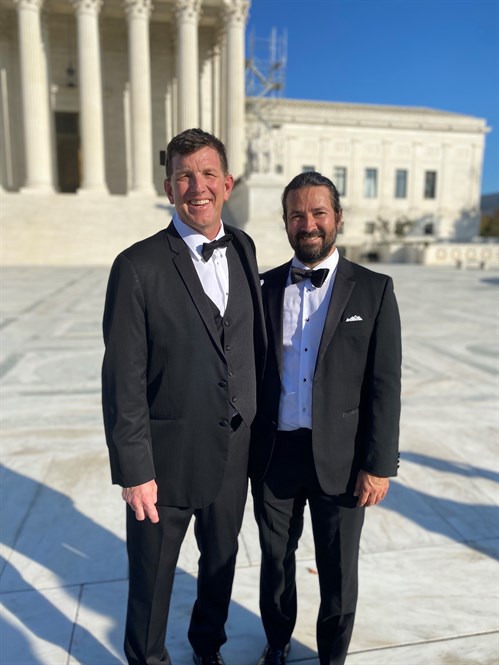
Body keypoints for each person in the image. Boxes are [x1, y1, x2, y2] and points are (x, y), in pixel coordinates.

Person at [102, 128, 266, 665]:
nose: (199, 186)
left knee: (219, 570)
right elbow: (123, 377)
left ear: (228, 183)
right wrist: (133, 469)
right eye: (184, 176)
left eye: (208, 174)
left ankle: (207, 651)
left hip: (233, 453)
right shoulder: (137, 266)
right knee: (151, 586)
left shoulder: (243, 246)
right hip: (163, 466)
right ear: (169, 187)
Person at [250, 171, 401, 665]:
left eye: (318, 213)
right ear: (286, 223)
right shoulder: (264, 287)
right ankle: (276, 643)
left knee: (338, 571)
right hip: (276, 455)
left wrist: (379, 464)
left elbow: (384, 384)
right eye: (297, 215)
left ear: (337, 218)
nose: (308, 223)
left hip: (342, 456)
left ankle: (331, 658)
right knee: (275, 564)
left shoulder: (375, 290)